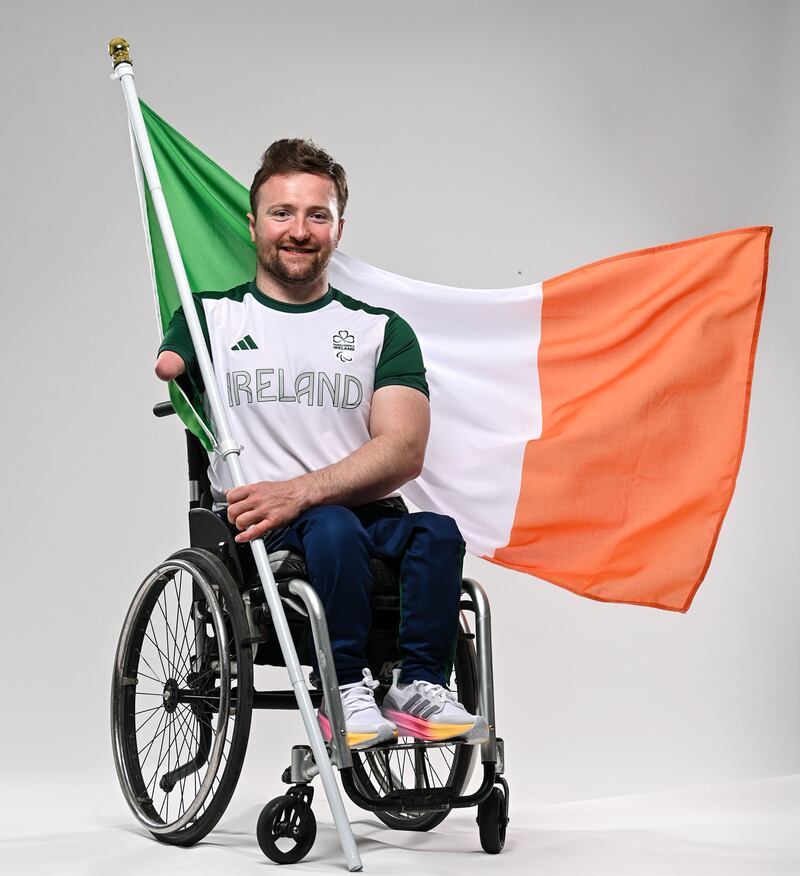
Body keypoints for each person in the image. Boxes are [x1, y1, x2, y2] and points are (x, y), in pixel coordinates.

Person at [154, 138, 488, 750]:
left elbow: (403, 450)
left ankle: (417, 685)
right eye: (282, 213)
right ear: (253, 224)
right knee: (331, 527)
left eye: (317, 215)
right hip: (263, 528)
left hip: (363, 515)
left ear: (338, 227)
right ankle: (346, 686)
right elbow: (172, 365)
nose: (299, 230)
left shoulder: (381, 329)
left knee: (438, 531)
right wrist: (177, 361)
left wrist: (301, 491)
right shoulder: (212, 318)